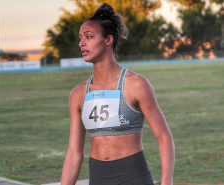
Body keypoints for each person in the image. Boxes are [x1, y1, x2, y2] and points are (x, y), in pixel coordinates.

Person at [61, 3, 175, 185]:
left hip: (134, 178)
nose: (82, 43)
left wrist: (166, 183)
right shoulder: (78, 94)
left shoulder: (136, 84)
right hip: (97, 179)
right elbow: (74, 153)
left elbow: (164, 137)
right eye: (81, 38)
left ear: (108, 40)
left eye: (89, 37)